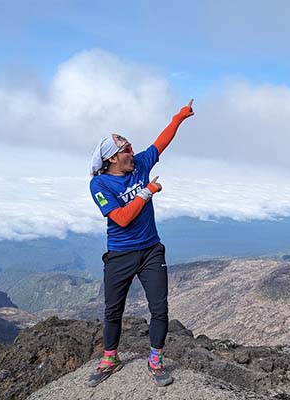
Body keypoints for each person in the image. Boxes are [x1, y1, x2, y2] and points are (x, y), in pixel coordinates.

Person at [86, 99, 194, 387]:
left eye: (132, 147)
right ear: (112, 158)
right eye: (126, 150)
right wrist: (147, 191)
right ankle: (110, 358)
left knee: (159, 309)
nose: (133, 152)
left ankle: (155, 360)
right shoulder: (100, 185)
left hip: (150, 251)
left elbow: (161, 143)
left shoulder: (140, 166)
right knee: (113, 310)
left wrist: (179, 117)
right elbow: (121, 219)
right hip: (120, 254)